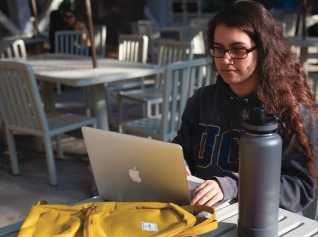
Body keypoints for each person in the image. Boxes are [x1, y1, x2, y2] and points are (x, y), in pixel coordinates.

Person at [171, 0, 318, 214]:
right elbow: (182, 149)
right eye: (219, 49)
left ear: (264, 50)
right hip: (205, 215)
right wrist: (178, 165)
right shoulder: (202, 101)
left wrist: (233, 185)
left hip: (264, 221)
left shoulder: (292, 112)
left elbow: (299, 189)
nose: (226, 59)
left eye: (238, 49)